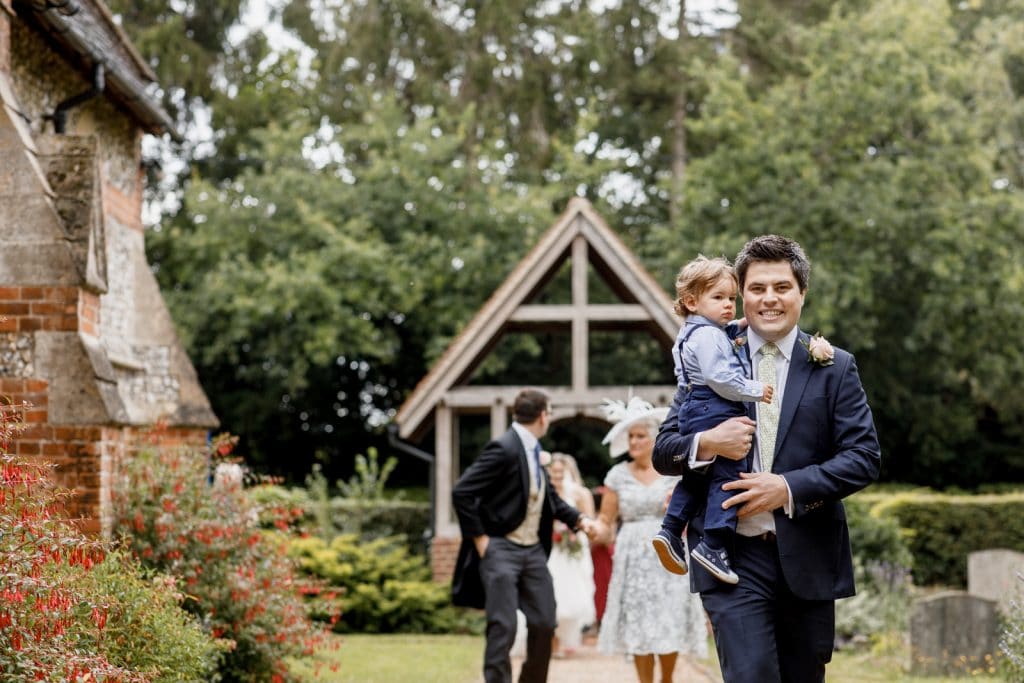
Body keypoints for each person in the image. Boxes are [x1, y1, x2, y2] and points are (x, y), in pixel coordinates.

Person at [651, 235, 882, 683]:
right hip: (729, 556)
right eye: (757, 288)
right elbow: (665, 451)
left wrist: (787, 488)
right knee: (751, 674)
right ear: (741, 293)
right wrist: (709, 444)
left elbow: (863, 457)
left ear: (801, 293)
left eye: (781, 287)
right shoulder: (711, 351)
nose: (769, 299)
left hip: (809, 555)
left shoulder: (835, 367)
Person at [451, 388, 595, 683]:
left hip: (532, 552)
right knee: (503, 627)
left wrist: (580, 519)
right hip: (501, 547)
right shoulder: (503, 447)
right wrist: (481, 540)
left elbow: (549, 500)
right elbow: (462, 492)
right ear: (542, 416)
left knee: (544, 622)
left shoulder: (534, 451)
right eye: (550, 413)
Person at [652, 256, 773, 584]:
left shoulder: (698, 330)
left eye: (732, 299)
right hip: (714, 406)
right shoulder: (708, 337)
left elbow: (723, 336)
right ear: (692, 301)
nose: (728, 306)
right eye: (718, 298)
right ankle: (715, 545)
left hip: (695, 407)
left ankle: (671, 529)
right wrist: (755, 389)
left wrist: (742, 325)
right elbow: (719, 375)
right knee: (728, 474)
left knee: (695, 478)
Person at [593, 396, 708, 683]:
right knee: (639, 624)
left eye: (640, 436)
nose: (633, 442)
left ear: (655, 438)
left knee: (667, 618)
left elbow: (693, 507)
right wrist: (592, 529)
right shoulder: (616, 475)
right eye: (630, 436)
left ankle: (667, 679)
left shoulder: (673, 473)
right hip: (632, 557)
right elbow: (606, 521)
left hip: (667, 551)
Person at [546, 453, 596, 657]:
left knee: (572, 595)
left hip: (573, 550)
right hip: (551, 550)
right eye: (553, 471)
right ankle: (552, 641)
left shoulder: (578, 494)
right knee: (553, 592)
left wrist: (572, 534)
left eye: (561, 471)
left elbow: (589, 521)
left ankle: (567, 638)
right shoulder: (544, 493)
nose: (557, 475)